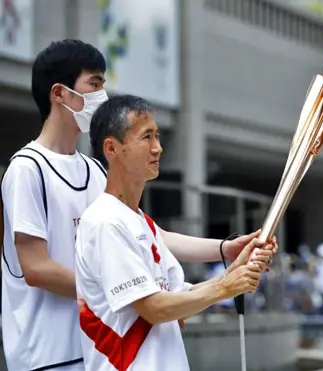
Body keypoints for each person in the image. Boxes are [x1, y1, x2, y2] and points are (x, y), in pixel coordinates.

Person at [0, 40, 275, 371]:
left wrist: (223, 249)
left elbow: (147, 235)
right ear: (60, 93)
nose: (103, 94)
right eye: (95, 83)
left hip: (93, 345)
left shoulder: (93, 169)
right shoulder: (28, 169)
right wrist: (126, 293)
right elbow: (35, 268)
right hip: (43, 353)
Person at [75, 94, 274, 370]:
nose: (157, 148)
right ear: (112, 148)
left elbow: (178, 298)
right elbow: (154, 308)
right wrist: (226, 286)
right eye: (146, 137)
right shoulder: (105, 222)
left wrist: (236, 271)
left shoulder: (139, 221)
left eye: (157, 136)